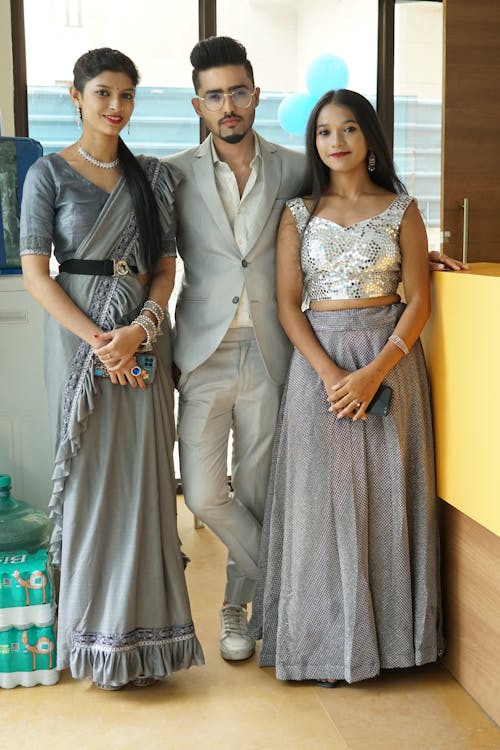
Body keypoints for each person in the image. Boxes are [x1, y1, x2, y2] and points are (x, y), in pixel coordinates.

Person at [20, 47, 204, 689]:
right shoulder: (46, 174)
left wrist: (139, 331)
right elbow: (37, 275)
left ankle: (145, 641)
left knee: (147, 480)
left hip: (144, 338)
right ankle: (90, 638)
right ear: (76, 96)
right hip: (78, 344)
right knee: (92, 483)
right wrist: (101, 341)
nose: (115, 107)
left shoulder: (152, 175)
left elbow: (164, 267)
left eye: (126, 95)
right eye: (103, 93)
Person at [249, 89, 444, 686]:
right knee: (320, 506)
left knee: (389, 502)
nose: (336, 142)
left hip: (390, 365)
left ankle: (391, 647)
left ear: (369, 139)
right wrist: (334, 376)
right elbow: (288, 308)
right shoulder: (296, 214)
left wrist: (376, 369)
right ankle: (322, 648)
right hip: (319, 371)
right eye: (324, 132)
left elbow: (419, 302)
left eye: (349, 129)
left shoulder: (402, 208)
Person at [166, 36, 307, 661]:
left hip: (275, 350)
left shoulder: (298, 167)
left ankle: (238, 609)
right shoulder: (171, 173)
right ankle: (291, 585)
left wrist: (418, 254)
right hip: (203, 351)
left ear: (256, 94)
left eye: (239, 92)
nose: (229, 105)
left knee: (254, 488)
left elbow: (361, 206)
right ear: (200, 104)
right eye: (216, 95)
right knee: (201, 492)